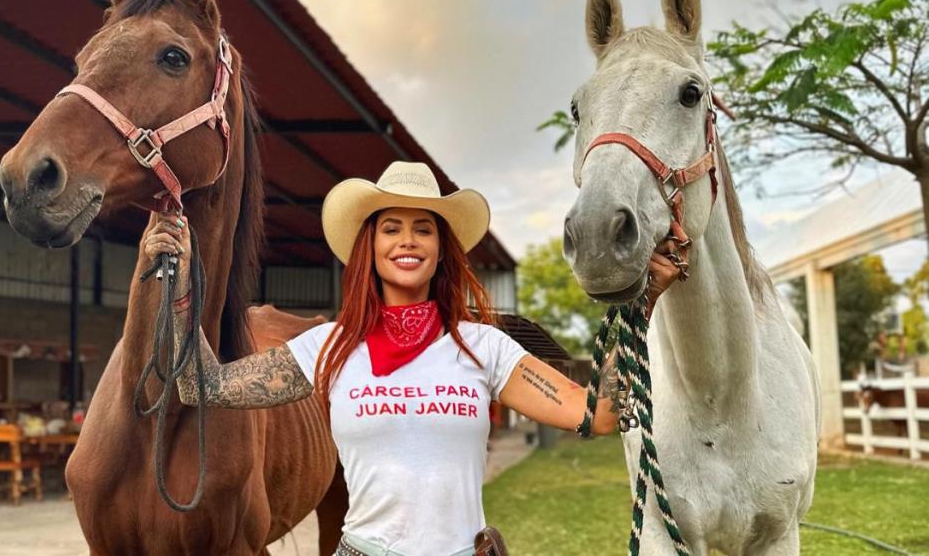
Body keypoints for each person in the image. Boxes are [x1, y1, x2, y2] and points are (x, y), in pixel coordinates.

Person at [143, 161, 683, 556]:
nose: (409, 241)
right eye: (392, 228)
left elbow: (597, 413)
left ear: (441, 247)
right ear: (369, 247)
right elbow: (199, 385)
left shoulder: (483, 346)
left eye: (424, 228)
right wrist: (179, 280)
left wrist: (644, 302)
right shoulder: (329, 346)